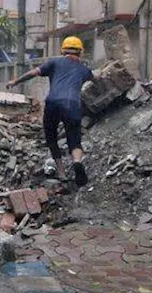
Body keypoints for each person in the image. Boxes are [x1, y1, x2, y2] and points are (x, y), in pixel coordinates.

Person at [6, 36, 94, 186]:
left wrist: (15, 82)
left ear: (63, 50)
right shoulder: (84, 69)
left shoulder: (54, 62)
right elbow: (97, 77)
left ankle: (61, 173)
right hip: (72, 104)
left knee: (51, 137)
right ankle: (77, 162)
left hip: (53, 103)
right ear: (81, 52)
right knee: (74, 140)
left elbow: (33, 73)